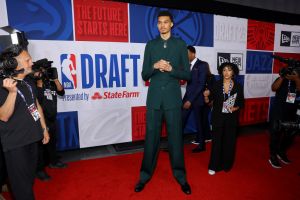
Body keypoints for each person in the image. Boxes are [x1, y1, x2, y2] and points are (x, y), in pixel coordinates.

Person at [135, 10, 191, 195]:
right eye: (159, 22)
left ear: (172, 24)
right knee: (151, 140)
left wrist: (171, 69)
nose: (162, 25)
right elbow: (144, 74)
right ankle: (144, 176)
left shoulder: (180, 44)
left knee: (175, 140)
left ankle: (181, 177)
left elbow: (187, 75)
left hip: (173, 100)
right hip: (154, 101)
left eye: (166, 22)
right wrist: (154, 66)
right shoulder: (150, 45)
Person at [0, 44, 50, 200]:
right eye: (28, 60)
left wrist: (43, 128)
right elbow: (3, 116)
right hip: (16, 145)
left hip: (32, 139)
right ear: (16, 64)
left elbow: (35, 105)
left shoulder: (28, 81)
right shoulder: (3, 86)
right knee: (22, 188)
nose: (32, 62)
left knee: (28, 182)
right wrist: (12, 92)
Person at [204, 62, 244, 175]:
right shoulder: (216, 85)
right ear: (221, 72)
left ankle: (227, 164)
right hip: (218, 118)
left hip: (231, 118)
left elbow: (241, 102)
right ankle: (213, 166)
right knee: (217, 143)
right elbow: (209, 102)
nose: (226, 72)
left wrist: (235, 108)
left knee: (229, 142)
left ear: (233, 72)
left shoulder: (238, 86)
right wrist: (206, 96)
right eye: (224, 70)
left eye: (229, 70)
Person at [34, 60, 67, 181]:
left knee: (52, 142)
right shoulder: (33, 83)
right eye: (44, 69)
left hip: (52, 117)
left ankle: (53, 162)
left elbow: (61, 92)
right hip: (41, 120)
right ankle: (40, 170)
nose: (46, 70)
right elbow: (38, 99)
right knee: (41, 147)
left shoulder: (50, 82)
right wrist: (39, 81)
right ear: (38, 70)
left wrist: (55, 79)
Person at [268, 70, 299, 168]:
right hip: (278, 110)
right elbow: (274, 88)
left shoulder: (297, 80)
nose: (291, 73)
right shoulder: (281, 79)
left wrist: (297, 79)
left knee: (290, 134)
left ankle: (281, 152)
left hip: (292, 111)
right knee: (275, 134)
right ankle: (273, 155)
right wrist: (282, 77)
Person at [182, 45, 208, 153]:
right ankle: (175, 145)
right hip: (187, 97)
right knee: (180, 121)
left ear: (193, 53)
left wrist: (190, 100)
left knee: (199, 123)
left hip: (196, 99)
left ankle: (201, 146)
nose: (185, 56)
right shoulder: (186, 65)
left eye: (186, 53)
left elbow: (201, 85)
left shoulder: (202, 65)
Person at [202, 66, 216, 143]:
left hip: (208, 101)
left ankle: (207, 136)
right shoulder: (199, 76)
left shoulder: (211, 76)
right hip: (200, 100)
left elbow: (214, 88)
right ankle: (204, 136)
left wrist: (211, 100)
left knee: (204, 119)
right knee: (202, 119)